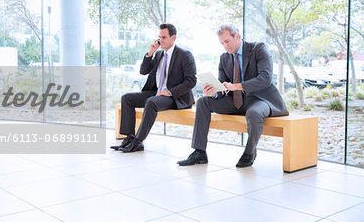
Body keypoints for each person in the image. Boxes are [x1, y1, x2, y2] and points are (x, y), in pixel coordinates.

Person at [177, 24, 288, 167]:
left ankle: (249, 152)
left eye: (227, 41)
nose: (225, 46)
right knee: (204, 102)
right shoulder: (224, 58)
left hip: (260, 99)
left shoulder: (258, 49)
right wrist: (213, 92)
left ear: (237, 36)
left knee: (254, 114)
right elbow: (222, 86)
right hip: (235, 101)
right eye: (222, 43)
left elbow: (265, 78)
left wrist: (236, 86)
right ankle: (199, 152)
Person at [111, 23, 197, 153]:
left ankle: (138, 141)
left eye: (164, 37)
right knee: (127, 98)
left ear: (173, 37)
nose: (160, 40)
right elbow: (143, 71)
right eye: (159, 37)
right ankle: (129, 137)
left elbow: (191, 81)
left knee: (151, 102)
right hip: (157, 92)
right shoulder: (159, 54)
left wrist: (170, 92)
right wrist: (150, 53)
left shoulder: (185, 55)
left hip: (174, 96)